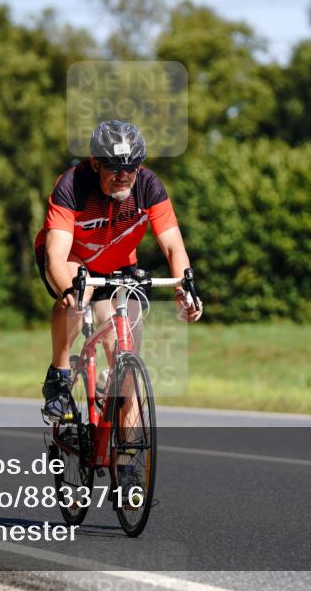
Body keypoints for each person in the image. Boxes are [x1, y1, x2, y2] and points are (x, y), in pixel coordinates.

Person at [34, 120, 203, 424]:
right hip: (72, 260)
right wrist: (69, 291)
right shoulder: (73, 185)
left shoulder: (149, 186)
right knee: (79, 292)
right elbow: (55, 255)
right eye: (114, 168)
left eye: (132, 168)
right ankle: (58, 376)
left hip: (120, 266)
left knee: (125, 362)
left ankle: (127, 467)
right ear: (95, 163)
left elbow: (174, 247)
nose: (124, 177)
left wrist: (184, 289)